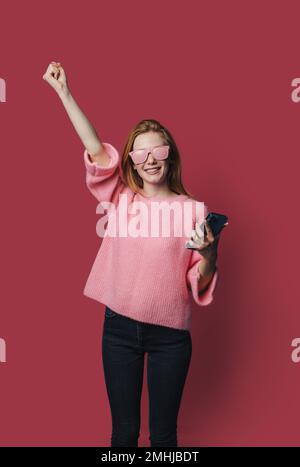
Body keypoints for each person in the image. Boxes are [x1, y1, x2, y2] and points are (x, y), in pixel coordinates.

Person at [43, 61, 224, 447]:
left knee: (162, 436)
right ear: (129, 162)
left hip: (171, 338)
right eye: (140, 154)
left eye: (158, 149)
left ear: (170, 154)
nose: (150, 159)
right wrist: (65, 94)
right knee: (123, 434)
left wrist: (209, 254)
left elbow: (199, 278)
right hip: (119, 330)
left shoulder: (194, 210)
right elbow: (94, 149)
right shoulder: (121, 198)